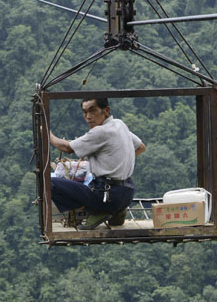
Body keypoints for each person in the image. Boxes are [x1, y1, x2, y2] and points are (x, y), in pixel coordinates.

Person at [48, 97, 145, 230]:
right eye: (85, 112)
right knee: (89, 183)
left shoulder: (100, 131)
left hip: (106, 195)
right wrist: (117, 160)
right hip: (127, 194)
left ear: (106, 110)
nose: (88, 117)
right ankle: (116, 210)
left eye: (92, 111)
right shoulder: (119, 124)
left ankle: (97, 211)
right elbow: (141, 147)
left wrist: (48, 135)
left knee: (49, 183)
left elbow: (67, 148)